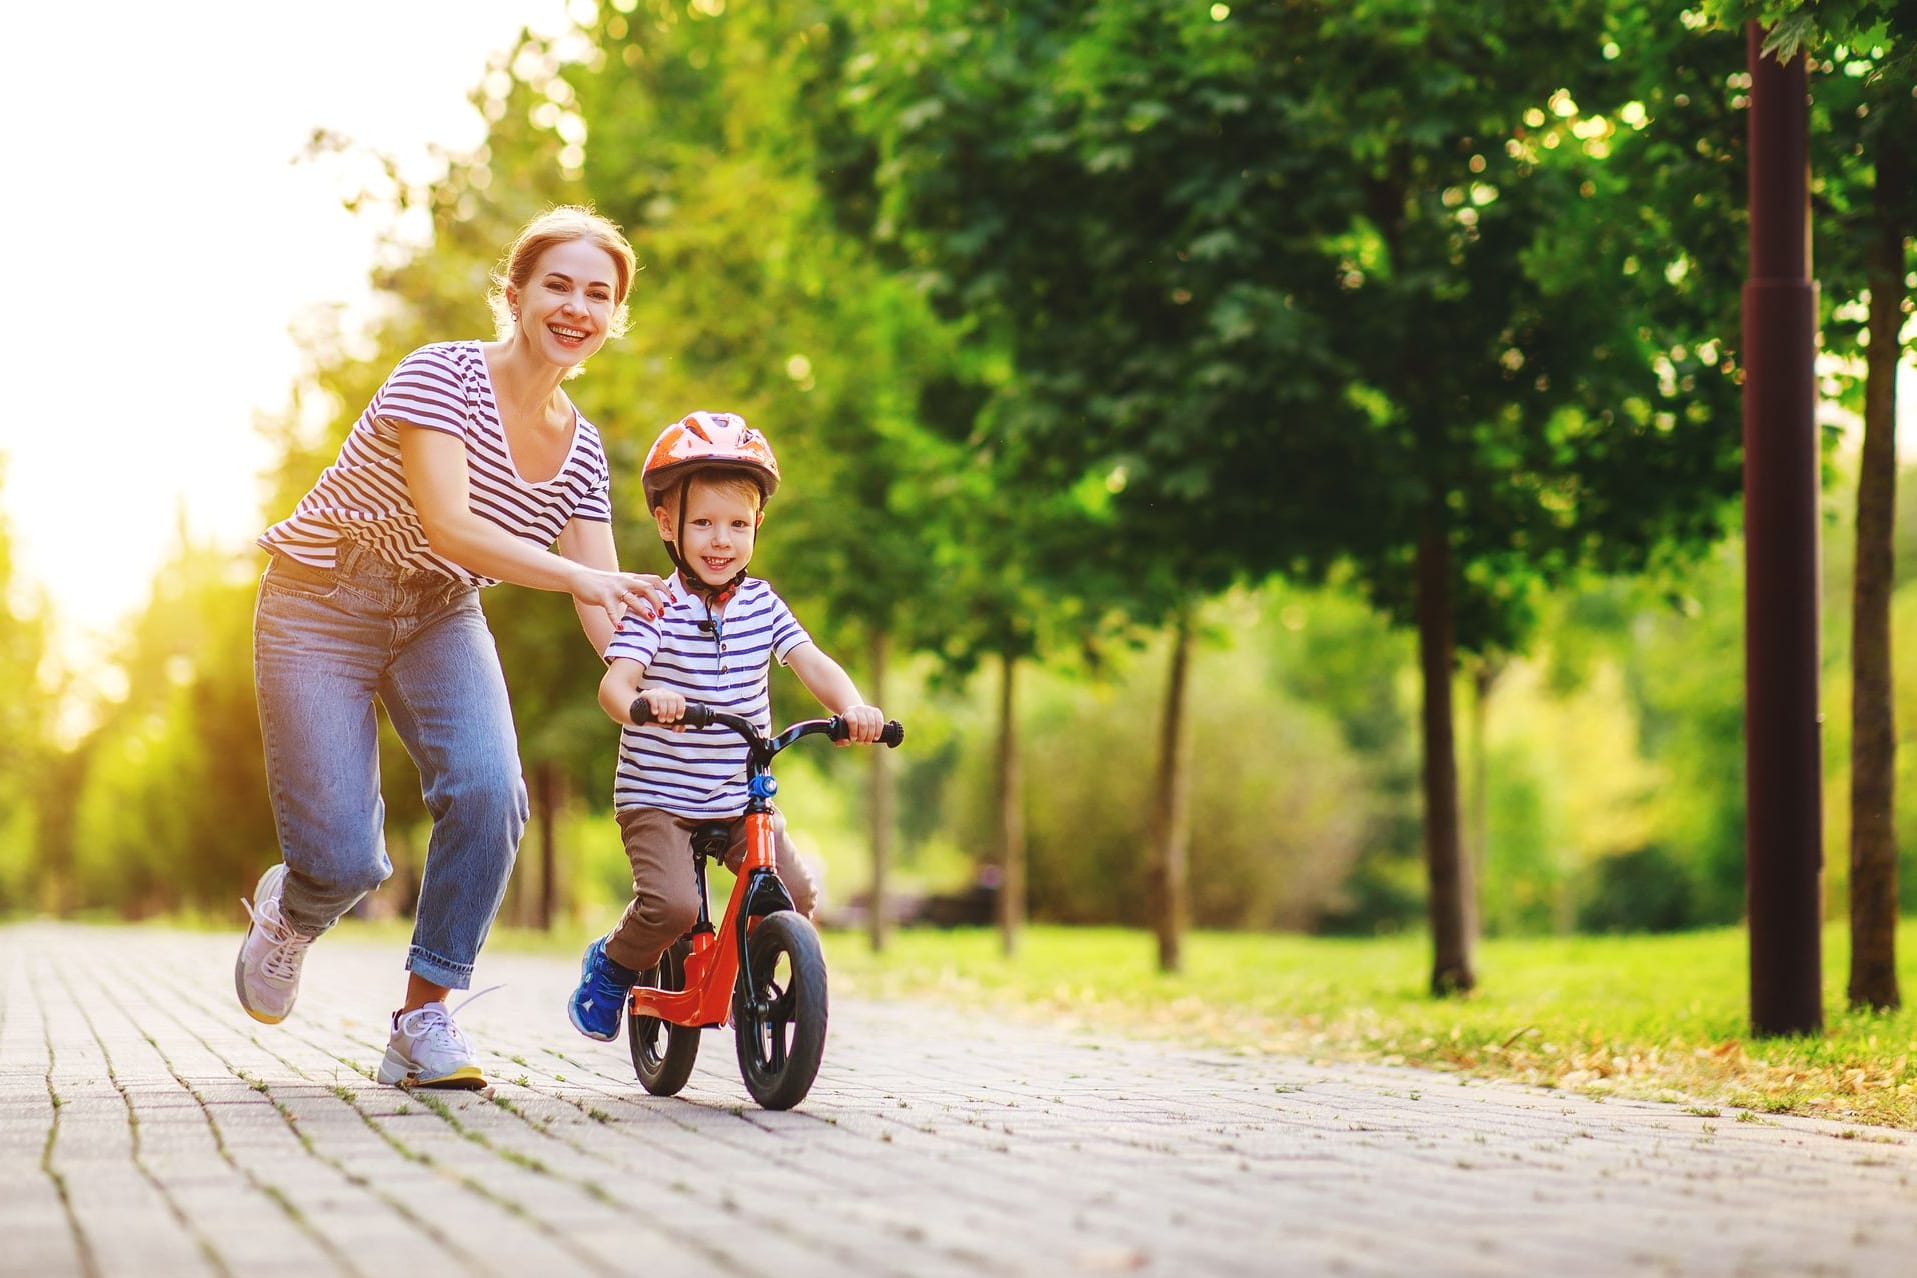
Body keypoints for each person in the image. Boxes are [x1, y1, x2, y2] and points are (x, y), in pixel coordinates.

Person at [238, 205, 672, 1090]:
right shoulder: (440, 377)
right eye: (557, 284)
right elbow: (453, 526)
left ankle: (422, 1016)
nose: (575, 307)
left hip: (438, 614)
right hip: (321, 598)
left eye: (598, 294)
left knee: (490, 792)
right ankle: (294, 910)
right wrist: (583, 581)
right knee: (346, 859)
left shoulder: (581, 448)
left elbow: (605, 606)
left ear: (613, 317)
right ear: (513, 295)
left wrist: (648, 678)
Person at [566, 412, 883, 1041]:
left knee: (794, 891)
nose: (721, 541)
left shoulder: (763, 604)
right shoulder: (654, 604)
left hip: (738, 797)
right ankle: (613, 963)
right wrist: (643, 697)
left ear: (757, 527)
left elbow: (810, 661)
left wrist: (854, 707)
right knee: (674, 906)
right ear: (667, 524)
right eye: (704, 523)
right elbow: (614, 684)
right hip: (659, 798)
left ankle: (762, 986)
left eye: (738, 525)